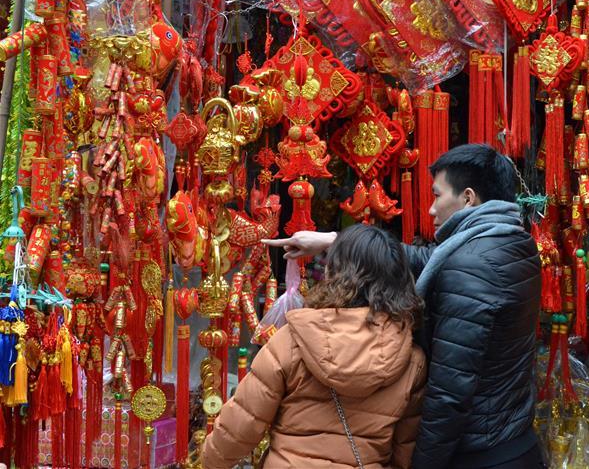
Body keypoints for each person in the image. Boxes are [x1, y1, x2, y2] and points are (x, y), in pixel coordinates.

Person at [264, 144, 543, 469]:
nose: (431, 210)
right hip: (512, 440)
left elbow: (450, 394)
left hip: (479, 454)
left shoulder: (471, 267)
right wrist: (333, 241)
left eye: (438, 196)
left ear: (468, 198)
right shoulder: (512, 243)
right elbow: (428, 260)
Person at [203, 225, 427, 469]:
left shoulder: (292, 340)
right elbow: (406, 449)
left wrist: (209, 461)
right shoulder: (410, 359)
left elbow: (240, 426)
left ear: (334, 274)